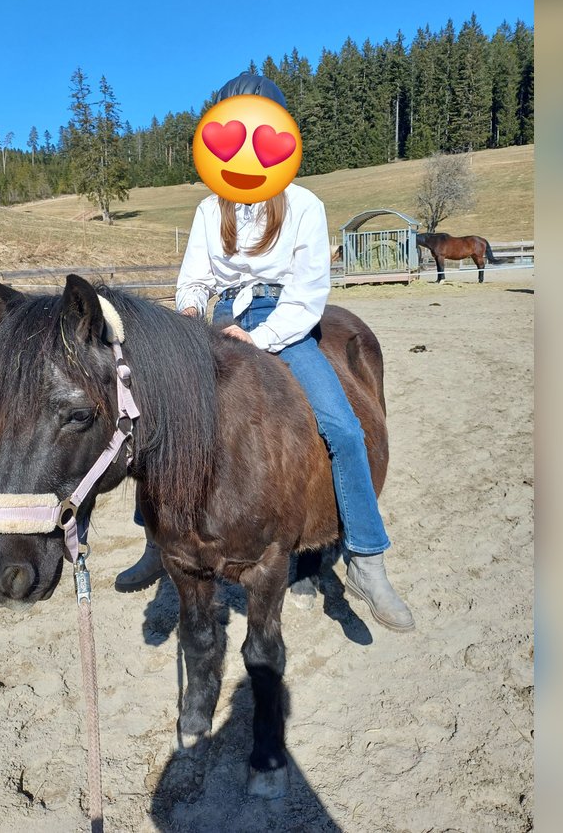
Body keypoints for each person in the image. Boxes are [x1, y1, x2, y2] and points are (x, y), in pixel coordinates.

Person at [114, 74, 413, 631]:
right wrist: (189, 315)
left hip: (286, 323)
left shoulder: (304, 206)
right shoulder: (211, 210)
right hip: (222, 318)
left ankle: (366, 557)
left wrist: (262, 337)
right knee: (158, 421)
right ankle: (156, 541)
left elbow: (308, 293)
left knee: (343, 428)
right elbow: (194, 280)